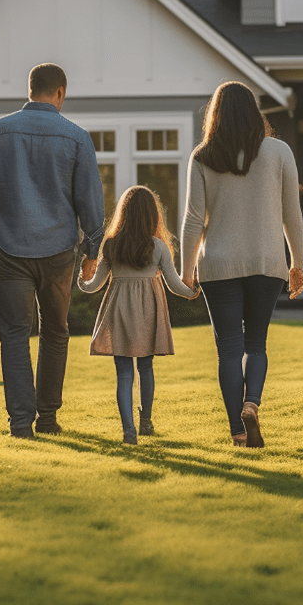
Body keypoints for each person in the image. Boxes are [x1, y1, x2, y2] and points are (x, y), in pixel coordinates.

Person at [0, 63, 106, 439]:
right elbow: (90, 202)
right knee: (55, 333)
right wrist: (92, 250)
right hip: (58, 252)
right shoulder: (76, 138)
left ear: (30, 90)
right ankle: (49, 418)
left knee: (14, 334)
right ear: (60, 93)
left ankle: (21, 424)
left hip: (12, 250)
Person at [180, 81, 303, 448]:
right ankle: (252, 404)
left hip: (218, 266)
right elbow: (292, 214)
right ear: (255, 112)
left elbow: (192, 221)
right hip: (267, 263)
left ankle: (237, 432)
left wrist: (188, 272)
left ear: (215, 115)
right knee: (257, 344)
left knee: (229, 350)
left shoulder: (203, 156)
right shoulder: (279, 152)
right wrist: (297, 263)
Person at [79, 186, 198, 446]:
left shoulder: (111, 245)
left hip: (119, 310)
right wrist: (193, 291)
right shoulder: (158, 247)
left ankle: (128, 430)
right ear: (151, 215)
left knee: (123, 373)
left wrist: (81, 278)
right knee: (145, 367)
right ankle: (146, 422)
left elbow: (94, 285)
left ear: (124, 213)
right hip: (147, 311)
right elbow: (173, 284)